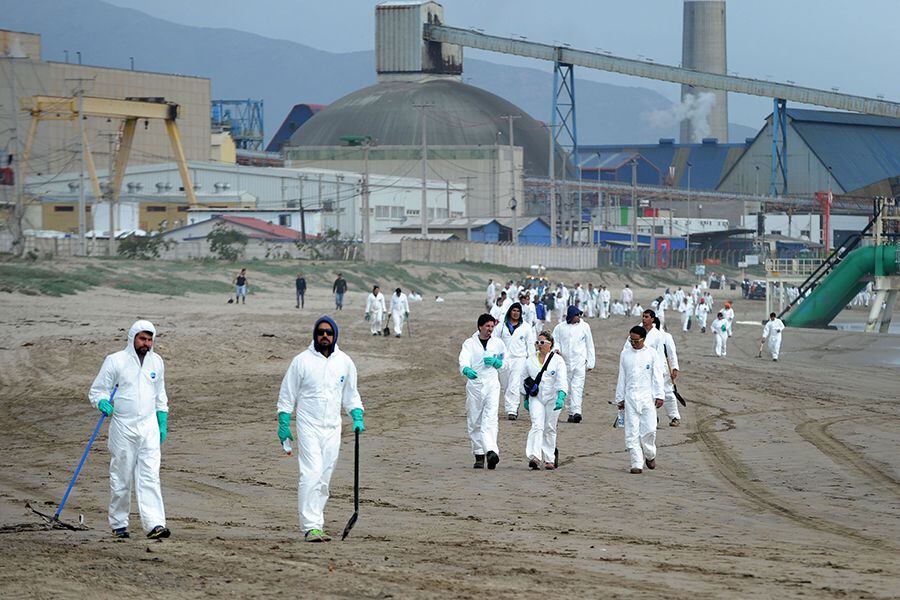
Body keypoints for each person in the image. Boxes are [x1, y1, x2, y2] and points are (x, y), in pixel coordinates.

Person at [276, 316, 365, 542]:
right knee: (311, 473)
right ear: (315, 335)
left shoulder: (344, 362)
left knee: (324, 478)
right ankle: (310, 526)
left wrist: (356, 414)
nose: (324, 336)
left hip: (333, 428)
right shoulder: (301, 361)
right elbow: (287, 394)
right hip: (309, 426)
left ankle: (317, 523)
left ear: (335, 335)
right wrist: (284, 423)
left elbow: (351, 394)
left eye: (329, 332)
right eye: (320, 332)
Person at [89, 320, 170, 540]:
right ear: (132, 337)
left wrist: (162, 420)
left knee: (150, 476)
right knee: (121, 476)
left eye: (150, 339)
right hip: (123, 425)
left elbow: (160, 394)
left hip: (149, 425)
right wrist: (102, 403)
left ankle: (155, 524)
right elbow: (98, 391)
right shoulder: (115, 361)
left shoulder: (157, 362)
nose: (147, 343)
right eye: (143, 338)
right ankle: (119, 523)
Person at [615, 325, 665, 474]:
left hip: (647, 397)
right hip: (630, 397)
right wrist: (620, 398)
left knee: (649, 430)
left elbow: (657, 376)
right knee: (631, 432)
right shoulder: (625, 354)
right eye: (631, 340)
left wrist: (660, 395)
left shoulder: (651, 353)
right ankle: (636, 463)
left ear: (643, 339)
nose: (633, 343)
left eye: (636, 341)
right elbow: (621, 377)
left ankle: (650, 454)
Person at [459, 314, 505, 469]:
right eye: (487, 326)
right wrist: (466, 369)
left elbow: (506, 362)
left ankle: (492, 452)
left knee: (490, 419)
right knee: (474, 419)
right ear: (480, 327)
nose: (490, 329)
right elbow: (463, 359)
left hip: (492, 385)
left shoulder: (498, 343)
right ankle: (479, 454)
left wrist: (498, 363)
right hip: (475, 386)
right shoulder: (469, 343)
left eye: (492, 326)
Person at [523, 330, 567, 470]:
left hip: (553, 398)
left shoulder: (558, 360)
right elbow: (524, 378)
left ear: (550, 344)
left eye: (542, 342)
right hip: (536, 397)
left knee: (549, 427)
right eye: (537, 342)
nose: (539, 345)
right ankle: (535, 457)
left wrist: (561, 396)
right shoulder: (530, 359)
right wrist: (525, 397)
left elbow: (562, 380)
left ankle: (549, 458)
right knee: (537, 425)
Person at [553, 305, 595, 423]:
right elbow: (555, 340)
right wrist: (556, 349)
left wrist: (591, 362)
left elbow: (589, 344)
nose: (579, 317)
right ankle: (570, 412)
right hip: (564, 362)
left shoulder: (585, 326)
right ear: (571, 316)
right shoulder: (560, 327)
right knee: (565, 388)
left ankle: (577, 412)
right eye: (577, 315)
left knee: (577, 387)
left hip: (579, 362)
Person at [494, 302, 536, 420]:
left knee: (514, 384)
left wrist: (531, 360)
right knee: (506, 384)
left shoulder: (526, 327)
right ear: (509, 311)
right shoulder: (501, 326)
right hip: (504, 359)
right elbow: (494, 341)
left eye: (518, 311)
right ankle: (510, 406)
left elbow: (530, 345)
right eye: (514, 310)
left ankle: (512, 410)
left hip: (520, 359)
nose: (516, 313)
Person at [655, 317, 682, 427]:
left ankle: (674, 417)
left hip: (664, 370)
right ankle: (652, 417)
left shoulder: (666, 337)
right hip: (649, 370)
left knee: (668, 393)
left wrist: (675, 368)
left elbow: (672, 353)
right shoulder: (646, 335)